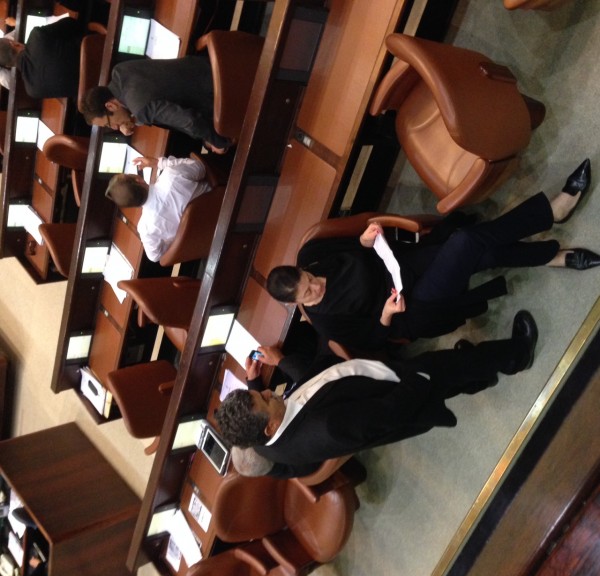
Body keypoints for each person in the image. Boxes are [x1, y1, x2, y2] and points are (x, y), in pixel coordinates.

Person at [267, 159, 598, 353]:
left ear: (302, 268)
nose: (316, 286)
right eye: (307, 293)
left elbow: (357, 247)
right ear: (297, 304)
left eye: (309, 279)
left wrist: (365, 241)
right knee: (466, 243)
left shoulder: (312, 253)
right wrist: (386, 313)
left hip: (403, 263)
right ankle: (552, 212)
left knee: (481, 255)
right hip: (411, 308)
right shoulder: (327, 322)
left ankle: (551, 256)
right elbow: (374, 339)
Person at [215, 310, 539, 479]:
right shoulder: (326, 429)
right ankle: (517, 355)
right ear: (269, 428)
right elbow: (391, 412)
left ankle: (476, 376)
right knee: (449, 367)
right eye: (264, 398)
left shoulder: (265, 438)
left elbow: (307, 388)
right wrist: (419, 375)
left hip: (372, 380)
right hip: (402, 389)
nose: (269, 391)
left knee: (456, 372)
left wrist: (256, 383)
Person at [80, 56, 231, 153]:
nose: (114, 128)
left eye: (109, 124)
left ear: (110, 106)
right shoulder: (119, 71)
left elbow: (191, 121)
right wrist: (130, 119)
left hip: (222, 98)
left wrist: (218, 142)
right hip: (216, 64)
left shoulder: (141, 109)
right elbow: (147, 92)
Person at [104, 155, 212, 262]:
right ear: (139, 180)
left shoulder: (146, 229)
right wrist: (158, 163)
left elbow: (155, 257)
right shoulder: (172, 174)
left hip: (206, 242)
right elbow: (200, 168)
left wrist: (176, 239)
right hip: (219, 208)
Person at [0, 16, 86, 98]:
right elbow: (71, 23)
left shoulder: (32, 90)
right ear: (14, 43)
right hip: (93, 51)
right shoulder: (37, 36)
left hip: (92, 90)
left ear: (8, 65)